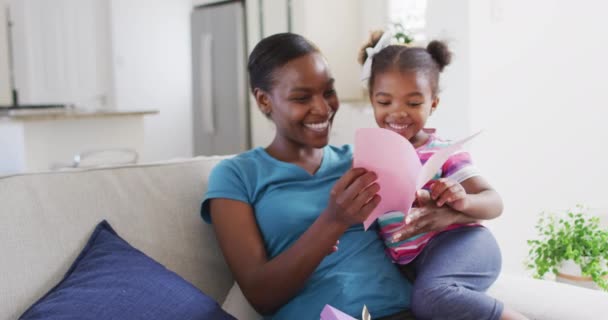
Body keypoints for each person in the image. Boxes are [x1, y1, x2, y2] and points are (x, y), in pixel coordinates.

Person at [201, 33, 418, 319]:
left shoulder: (361, 159)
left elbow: (410, 245)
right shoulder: (236, 176)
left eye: (328, 91)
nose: (323, 108)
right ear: (264, 101)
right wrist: (334, 220)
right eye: (302, 97)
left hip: (403, 311)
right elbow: (261, 295)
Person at [358, 30, 528, 320]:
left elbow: (494, 201)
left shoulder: (443, 152)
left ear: (433, 104)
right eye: (385, 102)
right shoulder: (367, 157)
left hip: (463, 244)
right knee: (424, 301)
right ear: (372, 100)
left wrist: (461, 201)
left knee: (429, 298)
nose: (398, 113)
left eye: (413, 103)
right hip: (417, 262)